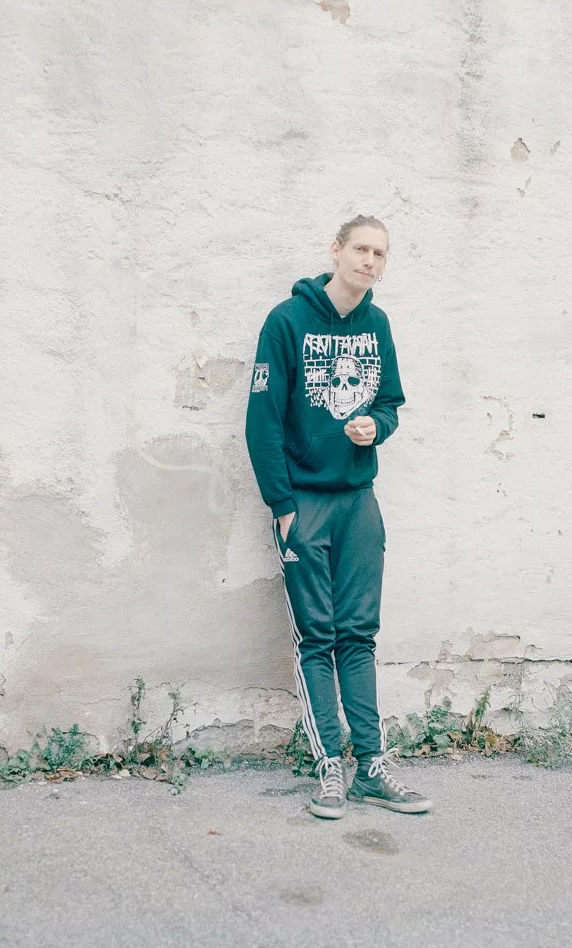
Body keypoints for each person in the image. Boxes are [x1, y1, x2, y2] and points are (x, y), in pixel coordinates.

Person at [245, 215, 432, 819]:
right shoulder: (287, 321)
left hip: (359, 502)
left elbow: (390, 404)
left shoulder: (377, 325)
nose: (370, 261)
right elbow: (261, 423)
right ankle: (330, 766)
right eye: (360, 248)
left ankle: (372, 766)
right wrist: (281, 506)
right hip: (304, 503)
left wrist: (375, 425)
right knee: (317, 636)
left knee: (359, 634)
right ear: (337, 250)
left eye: (380, 252)